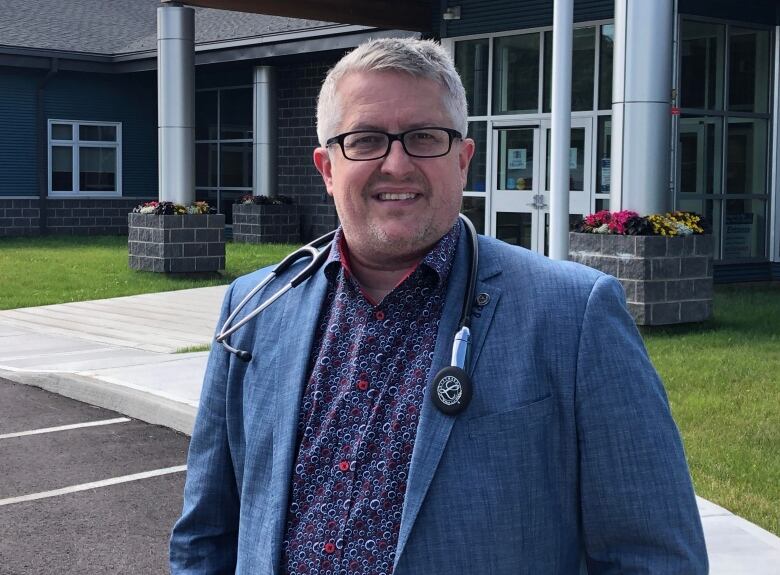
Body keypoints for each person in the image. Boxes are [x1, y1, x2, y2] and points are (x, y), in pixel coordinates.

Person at [170, 38, 708, 574]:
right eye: (365, 139)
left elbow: (653, 557)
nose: (397, 164)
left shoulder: (574, 315)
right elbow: (206, 535)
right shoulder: (256, 309)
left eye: (425, 137)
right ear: (328, 168)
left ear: (463, 160)